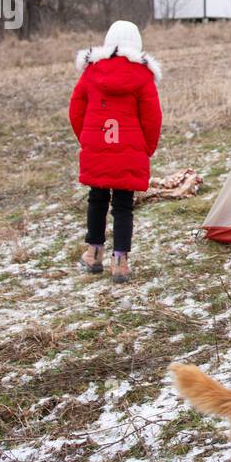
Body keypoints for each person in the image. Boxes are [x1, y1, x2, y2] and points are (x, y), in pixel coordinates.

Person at [69, 20, 163, 283]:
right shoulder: (143, 77)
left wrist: (87, 139)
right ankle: (120, 262)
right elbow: (153, 117)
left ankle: (93, 252)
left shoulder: (91, 72)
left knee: (96, 200)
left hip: (97, 146)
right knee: (123, 206)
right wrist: (147, 147)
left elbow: (75, 109)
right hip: (129, 152)